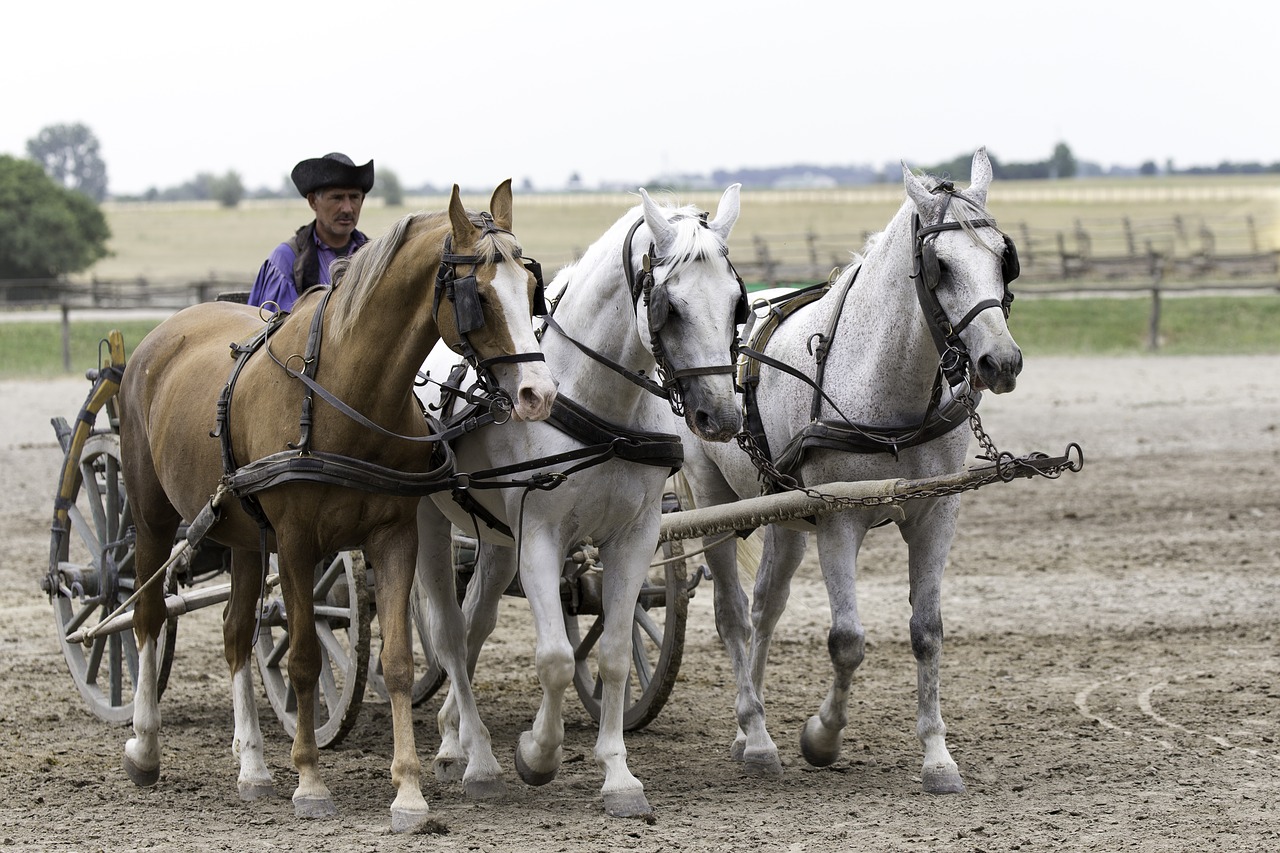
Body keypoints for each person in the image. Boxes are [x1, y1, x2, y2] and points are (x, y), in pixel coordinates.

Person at [247, 152, 375, 311]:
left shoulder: (375, 257)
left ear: (362, 200)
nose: (348, 208)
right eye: (337, 198)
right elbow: (278, 331)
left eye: (354, 197)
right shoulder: (287, 260)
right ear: (313, 201)